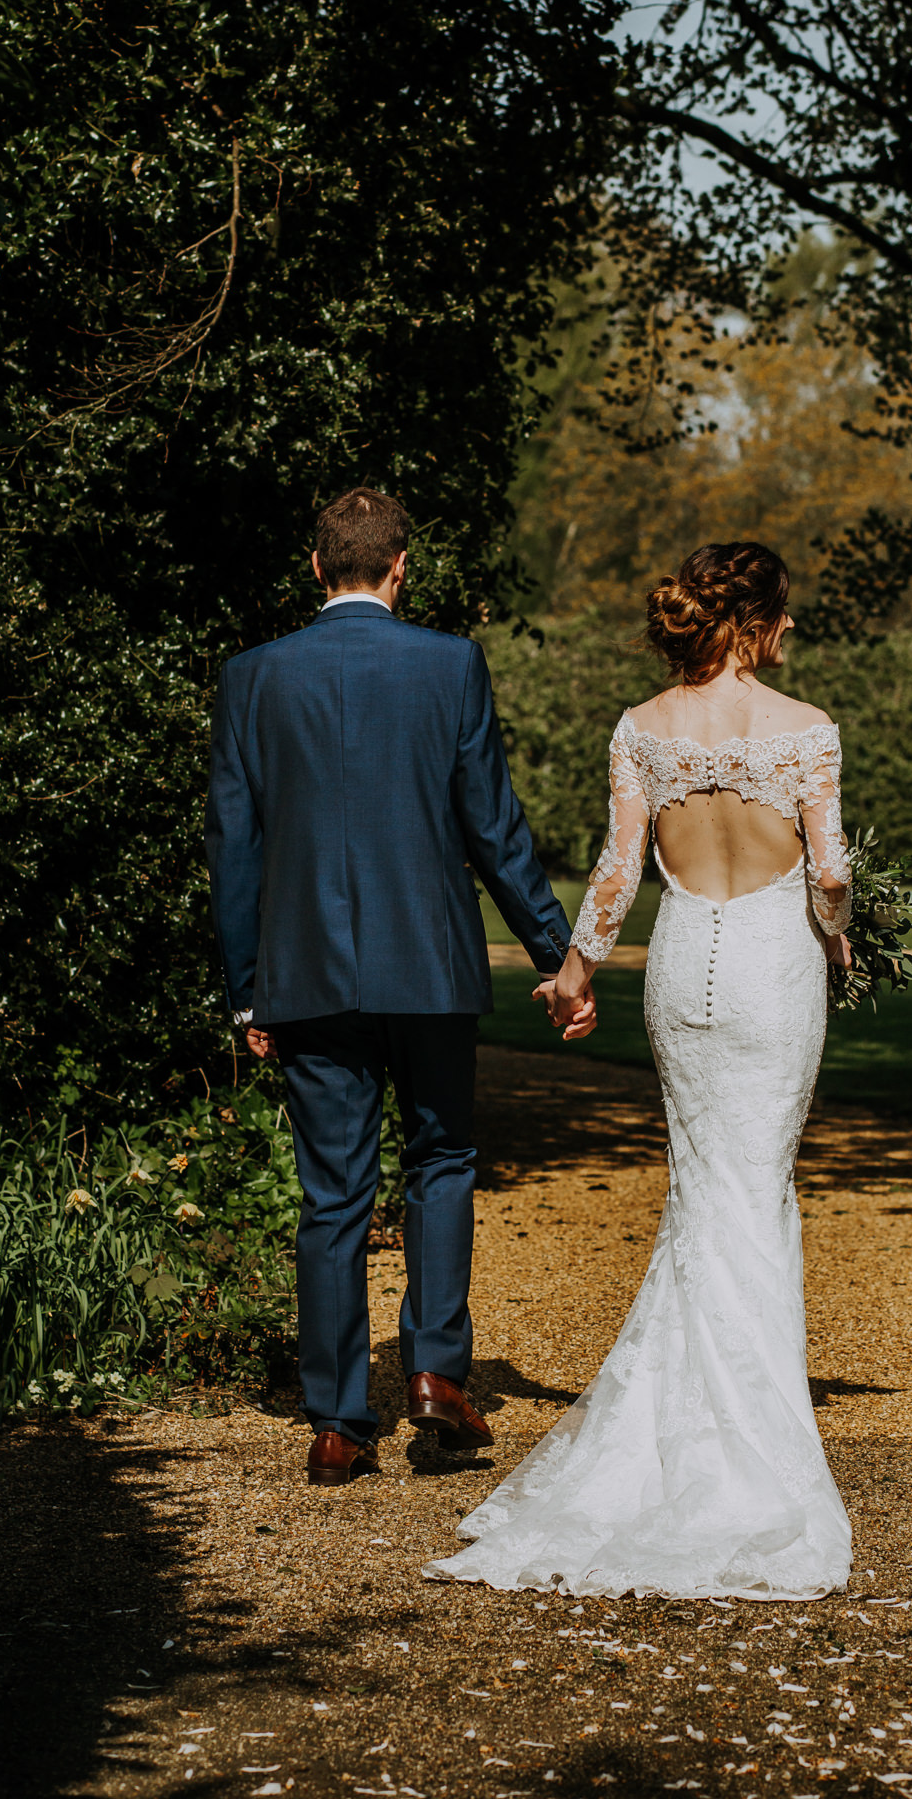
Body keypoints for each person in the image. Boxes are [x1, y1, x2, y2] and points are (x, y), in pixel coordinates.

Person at [426, 540, 855, 1601]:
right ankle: (751, 1460)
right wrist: (841, 940)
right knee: (754, 1191)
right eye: (784, 616)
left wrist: (575, 974)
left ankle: (674, 1434)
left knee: (706, 1191)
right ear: (755, 624)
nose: (791, 633)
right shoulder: (806, 730)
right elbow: (833, 871)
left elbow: (617, 871)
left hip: (684, 969)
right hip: (770, 969)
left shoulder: (641, 728)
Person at [204, 488, 593, 1486]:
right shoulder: (449, 663)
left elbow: (235, 847)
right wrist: (559, 953)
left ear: (316, 564)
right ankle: (433, 1374)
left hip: (303, 975)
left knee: (332, 1195)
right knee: (442, 1158)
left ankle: (336, 1421)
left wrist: (249, 992)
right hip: (427, 963)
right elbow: (494, 827)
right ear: (401, 566)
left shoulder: (252, 676)